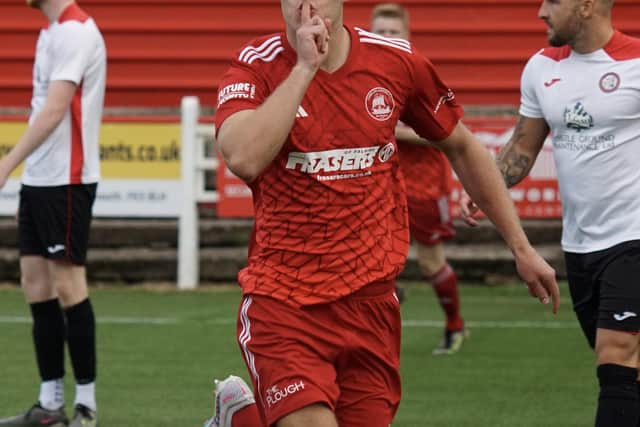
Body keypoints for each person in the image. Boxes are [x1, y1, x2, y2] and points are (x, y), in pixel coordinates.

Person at [208, 1, 559, 426]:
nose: (307, 4)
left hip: (371, 306)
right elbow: (244, 158)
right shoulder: (255, 66)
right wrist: (304, 68)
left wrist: (521, 248)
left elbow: (463, 147)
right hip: (285, 304)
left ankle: (242, 419)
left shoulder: (395, 62)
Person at [460, 0, 640, 425]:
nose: (541, 12)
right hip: (579, 247)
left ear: (588, 6)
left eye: (554, 2)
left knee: (615, 355)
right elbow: (523, 147)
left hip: (634, 237)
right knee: (626, 373)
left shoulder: (636, 61)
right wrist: (488, 185)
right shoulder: (540, 67)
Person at [0, 1, 105, 426]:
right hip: (40, 179)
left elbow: (55, 108)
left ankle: (86, 406)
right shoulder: (50, 32)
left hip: (67, 180)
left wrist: (6, 163)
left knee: (67, 284)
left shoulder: (78, 31)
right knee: (34, 283)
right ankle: (49, 404)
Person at [370, 2, 467, 356]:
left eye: (394, 32)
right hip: (376, 185)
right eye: (380, 32)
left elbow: (446, 132)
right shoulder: (359, 75)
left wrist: (392, 130)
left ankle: (455, 325)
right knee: (368, 262)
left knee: (430, 261)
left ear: (407, 36)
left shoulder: (417, 72)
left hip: (424, 186)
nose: (387, 38)